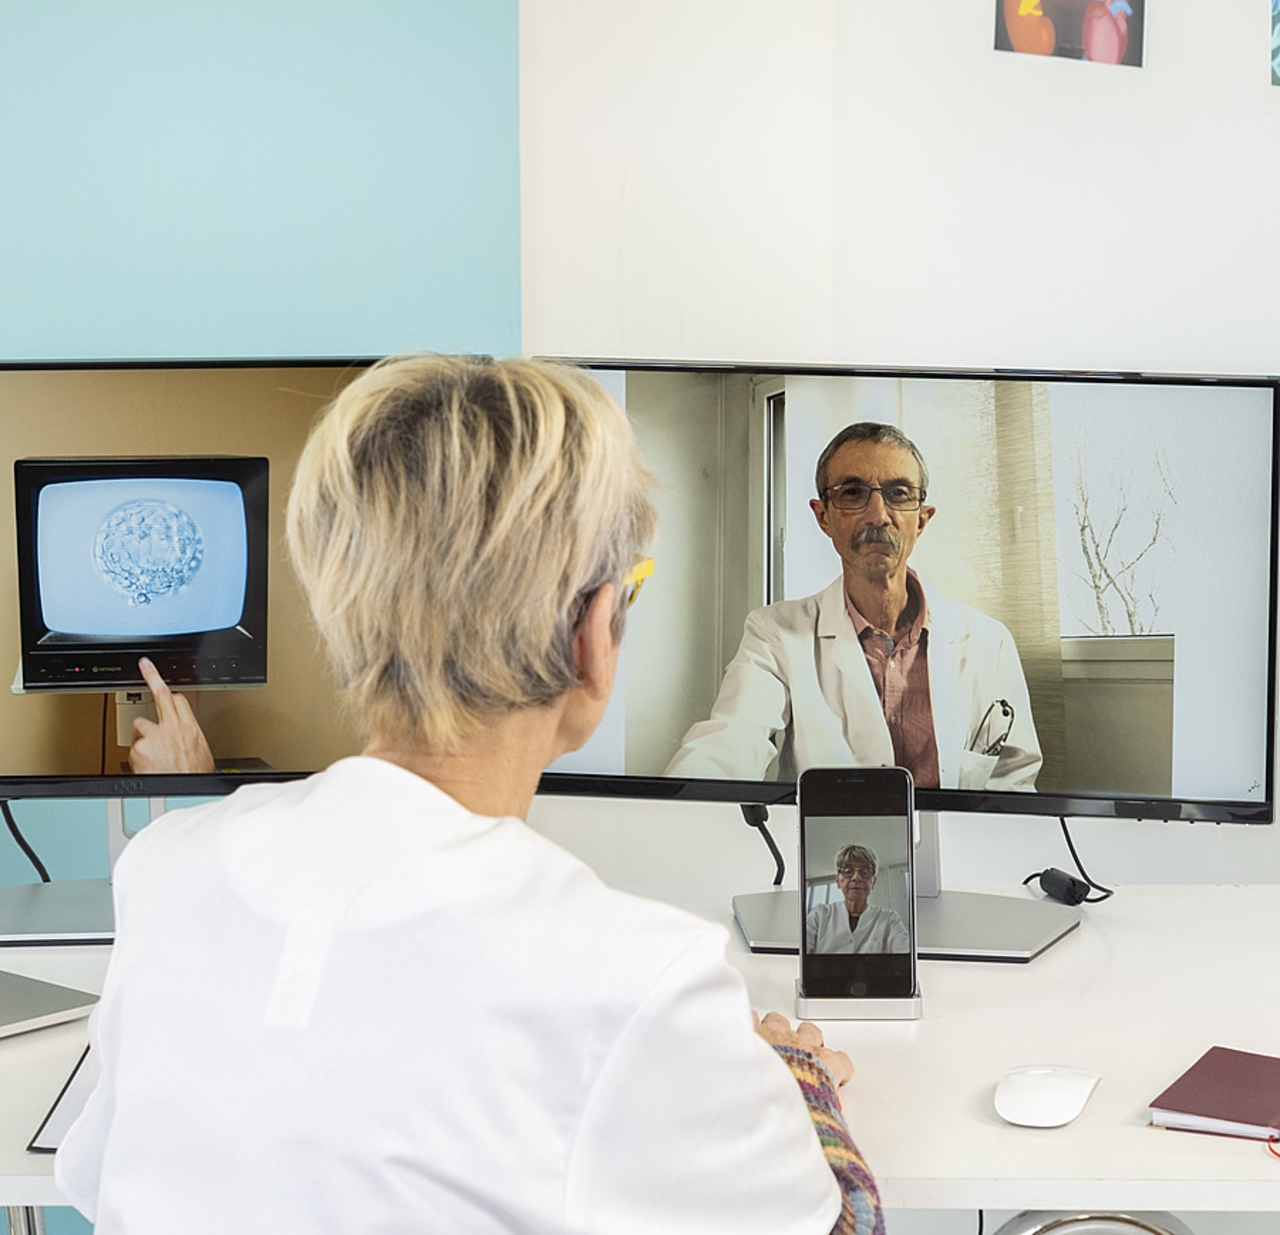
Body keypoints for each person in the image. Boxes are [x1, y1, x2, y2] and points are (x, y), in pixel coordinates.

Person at [57, 356, 883, 1234]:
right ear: (593, 638)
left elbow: (99, 1176)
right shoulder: (642, 980)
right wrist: (800, 1081)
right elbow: (845, 1222)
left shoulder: (162, 870)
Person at [666, 420, 1041, 790]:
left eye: (899, 493)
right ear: (823, 516)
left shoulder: (988, 642)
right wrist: (673, 805)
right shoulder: (775, 634)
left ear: (921, 520)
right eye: (852, 492)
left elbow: (1014, 785)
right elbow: (729, 741)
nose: (878, 515)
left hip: (956, 833)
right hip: (828, 833)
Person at [805, 844, 910, 955]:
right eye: (847, 871)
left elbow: (906, 952)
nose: (856, 877)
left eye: (865, 872)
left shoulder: (889, 920)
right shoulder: (819, 915)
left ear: (873, 882)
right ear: (838, 881)